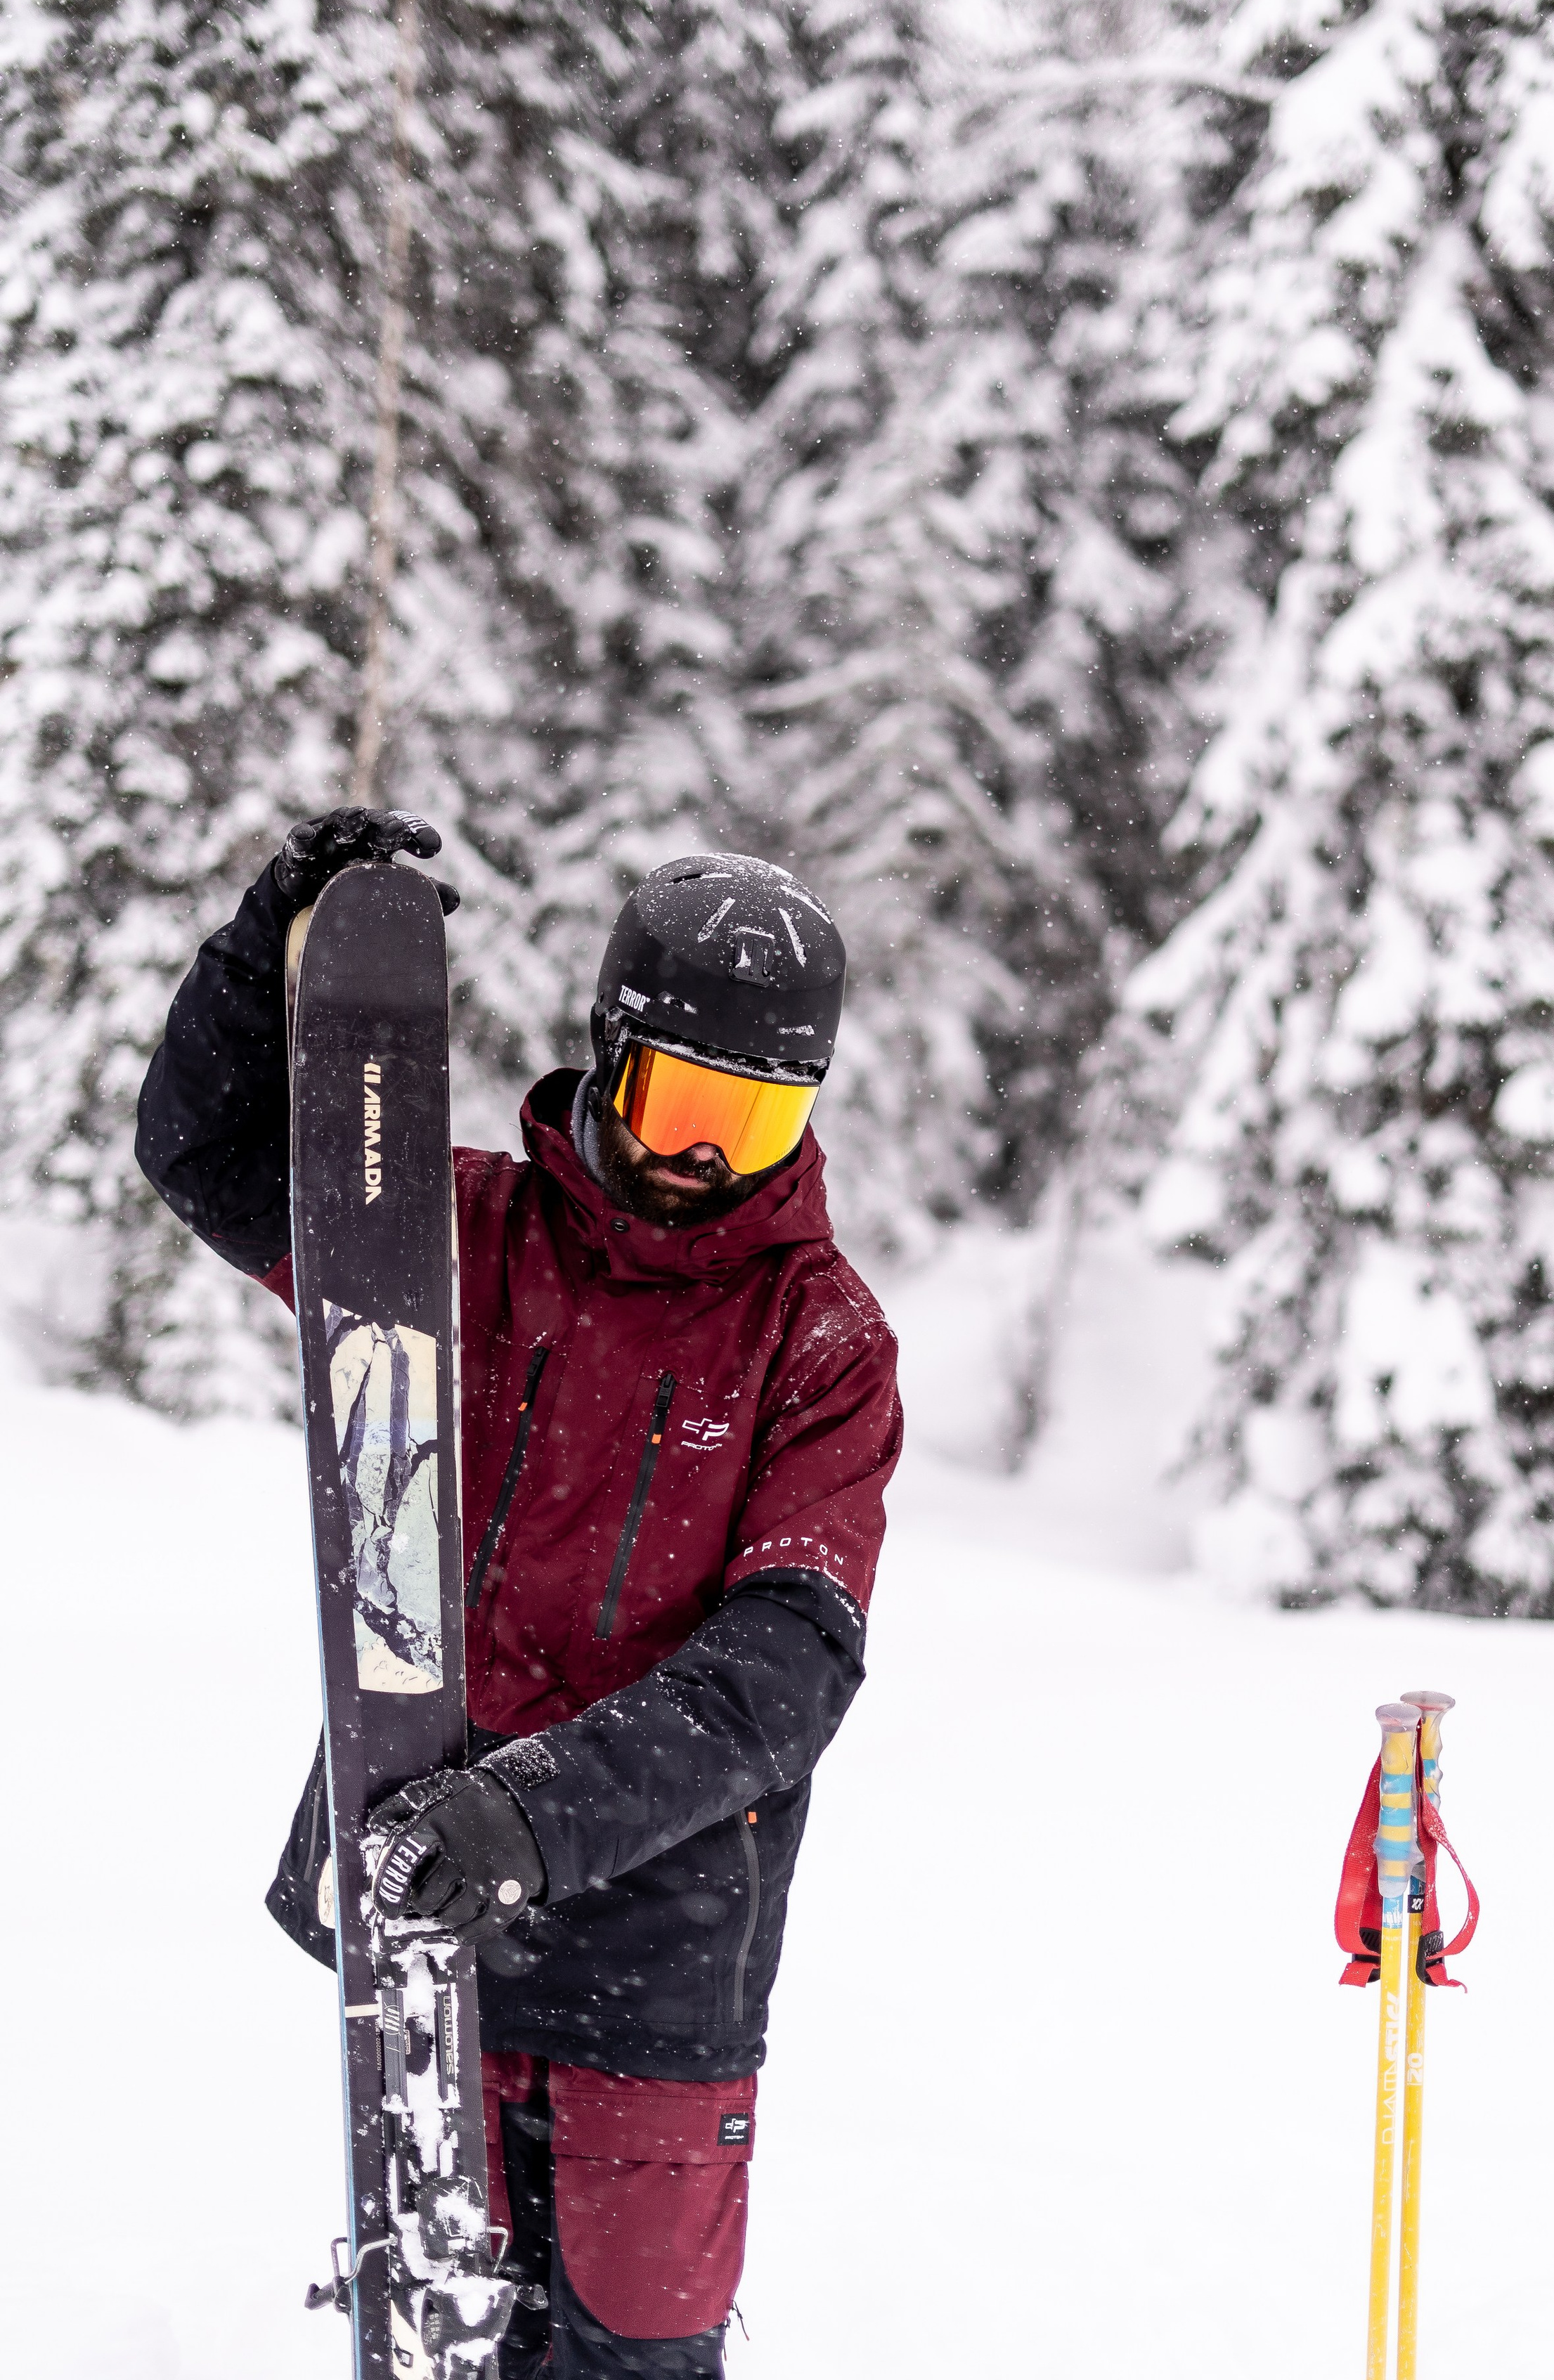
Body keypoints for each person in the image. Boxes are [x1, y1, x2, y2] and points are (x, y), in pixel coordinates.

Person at [136, 809, 902, 2379]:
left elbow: (789, 1665)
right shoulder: (454, 1230)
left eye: (754, 1121)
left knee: (634, 2353)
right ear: (612, 1059)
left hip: (665, 1957)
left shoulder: (819, 1339)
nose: (705, 1156)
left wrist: (536, 1815)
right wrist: (271, 950)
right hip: (431, 1920)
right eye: (685, 1102)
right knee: (435, 2335)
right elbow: (206, 1158)